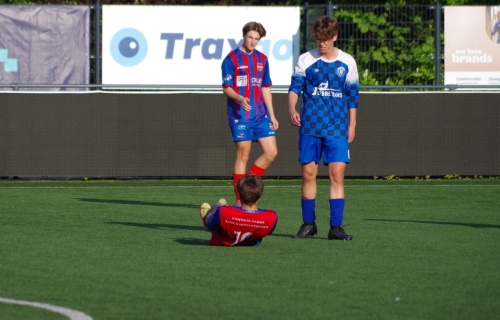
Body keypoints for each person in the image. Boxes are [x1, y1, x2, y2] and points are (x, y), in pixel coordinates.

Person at [288, 16, 359, 240]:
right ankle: (309, 224)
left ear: (334, 37)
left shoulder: (348, 62)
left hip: (337, 128)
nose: (321, 43)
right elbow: (294, 89)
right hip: (310, 127)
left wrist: (353, 124)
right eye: (318, 39)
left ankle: (335, 227)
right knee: (309, 174)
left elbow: (352, 97)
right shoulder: (305, 59)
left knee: (336, 175)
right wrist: (292, 109)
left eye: (326, 39)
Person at [221, 21, 279, 207]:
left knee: (271, 152)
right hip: (241, 115)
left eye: (256, 39)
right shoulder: (231, 59)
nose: (253, 41)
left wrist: (272, 114)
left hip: (261, 115)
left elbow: (266, 88)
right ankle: (240, 199)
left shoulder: (262, 59)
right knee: (243, 156)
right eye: (250, 37)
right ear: (244, 35)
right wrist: (239, 98)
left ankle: (247, 184)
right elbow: (226, 89)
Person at [199, 174, 278, 246]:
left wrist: (217, 207)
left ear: (239, 195)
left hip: (222, 241)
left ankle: (207, 215)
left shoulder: (223, 212)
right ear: (260, 195)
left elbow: (211, 225)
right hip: (251, 243)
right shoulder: (272, 217)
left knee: (217, 208)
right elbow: (268, 232)